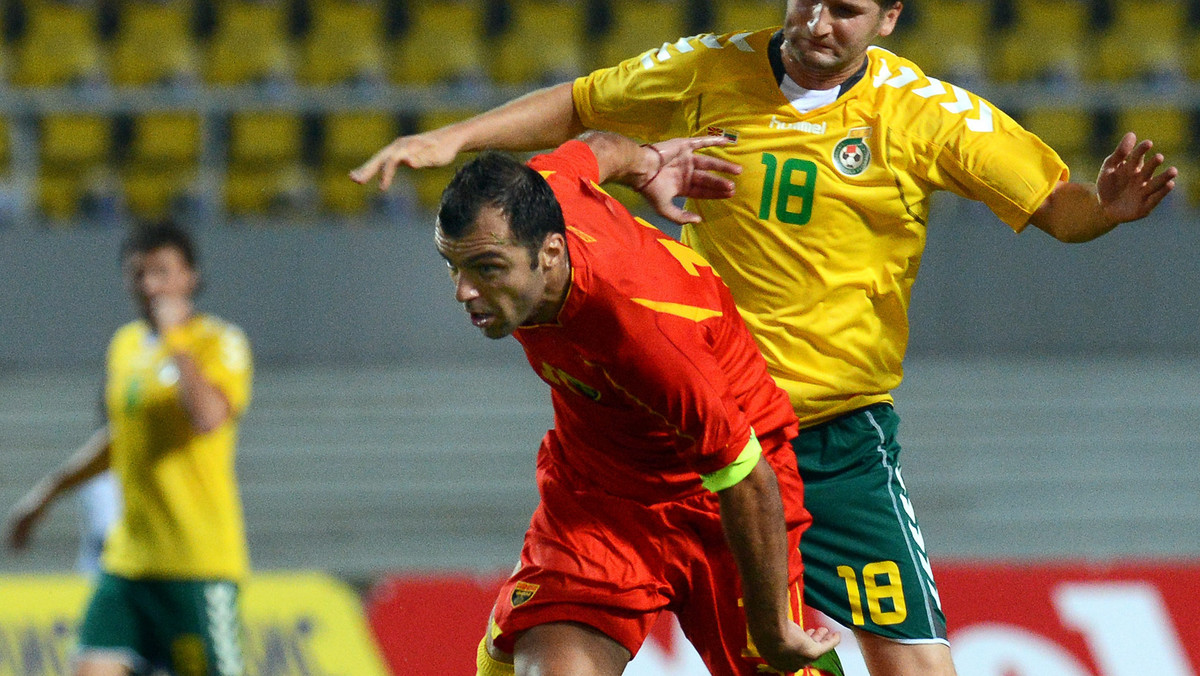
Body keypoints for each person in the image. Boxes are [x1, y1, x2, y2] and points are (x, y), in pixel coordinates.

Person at [350, 1, 1179, 674]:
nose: (819, 22)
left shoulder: (924, 113)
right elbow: (579, 110)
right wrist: (454, 140)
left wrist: (1102, 213)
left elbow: (1057, 209)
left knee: (918, 671)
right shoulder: (711, 66)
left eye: (846, 10)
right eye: (806, 0)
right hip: (680, 431)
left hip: (831, 440)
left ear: (889, 18)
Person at [434, 131, 841, 676]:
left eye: (486, 268)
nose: (464, 291)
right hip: (602, 500)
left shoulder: (642, 329)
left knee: (779, 659)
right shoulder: (541, 192)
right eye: (453, 267)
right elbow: (593, 148)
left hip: (725, 498)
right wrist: (647, 162)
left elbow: (747, 479)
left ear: (550, 253)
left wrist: (772, 632)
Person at [5, 221, 253, 676]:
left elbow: (208, 417)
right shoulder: (126, 346)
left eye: (161, 271)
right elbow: (120, 439)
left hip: (197, 563)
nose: (148, 285)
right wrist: (45, 496)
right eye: (137, 273)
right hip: (129, 563)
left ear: (190, 277)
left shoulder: (220, 342)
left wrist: (176, 339)